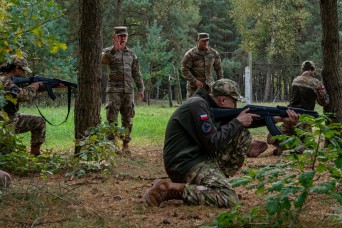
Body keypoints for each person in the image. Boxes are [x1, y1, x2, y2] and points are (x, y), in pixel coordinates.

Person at [144, 79, 298, 208]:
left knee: (242, 133)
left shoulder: (204, 105)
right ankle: (169, 188)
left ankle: (210, 185)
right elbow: (213, 142)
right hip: (185, 163)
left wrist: (278, 118)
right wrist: (238, 122)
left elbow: (245, 121)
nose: (236, 107)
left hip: (196, 158)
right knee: (228, 197)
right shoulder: (197, 105)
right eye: (234, 102)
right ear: (223, 100)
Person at [267, 60, 330, 155]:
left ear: (302, 70)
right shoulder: (316, 83)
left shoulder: (295, 80)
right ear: (313, 70)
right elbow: (324, 102)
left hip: (288, 115)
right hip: (304, 120)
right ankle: (294, 149)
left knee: (274, 136)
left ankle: (285, 147)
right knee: (308, 147)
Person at [102, 26, 145, 153]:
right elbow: (102, 60)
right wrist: (114, 50)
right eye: (120, 36)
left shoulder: (131, 54)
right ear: (115, 37)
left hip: (128, 91)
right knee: (112, 119)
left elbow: (136, 73)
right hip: (114, 91)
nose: (123, 38)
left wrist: (141, 88)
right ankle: (111, 145)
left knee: (128, 119)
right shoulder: (109, 51)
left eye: (125, 36)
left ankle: (126, 145)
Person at [0, 55, 45, 156]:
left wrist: (47, 86)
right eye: (23, 70)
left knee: (38, 121)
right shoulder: (5, 81)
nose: (24, 73)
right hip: (4, 123)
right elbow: (23, 96)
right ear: (16, 68)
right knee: (7, 154)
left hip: (11, 118)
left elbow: (23, 89)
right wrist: (34, 87)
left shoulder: (9, 79)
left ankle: (35, 155)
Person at [181, 32, 223, 99]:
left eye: (207, 40)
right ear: (198, 41)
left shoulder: (213, 53)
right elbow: (184, 69)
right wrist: (195, 81)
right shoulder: (190, 54)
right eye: (203, 41)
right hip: (194, 88)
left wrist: (220, 83)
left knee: (209, 107)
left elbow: (218, 69)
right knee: (193, 107)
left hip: (209, 88)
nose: (205, 42)